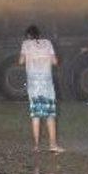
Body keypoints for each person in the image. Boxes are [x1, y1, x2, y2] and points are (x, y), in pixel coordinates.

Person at [19, 25, 64, 153]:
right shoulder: (47, 43)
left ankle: (36, 146)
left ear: (28, 35)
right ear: (39, 34)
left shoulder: (26, 44)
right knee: (50, 115)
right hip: (46, 85)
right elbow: (55, 61)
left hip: (34, 86)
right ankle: (53, 145)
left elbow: (21, 61)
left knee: (35, 115)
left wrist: (31, 57)